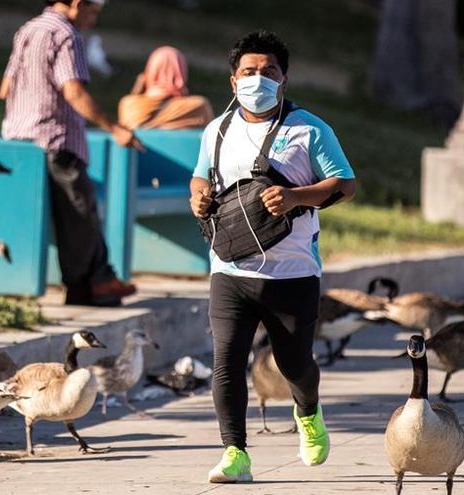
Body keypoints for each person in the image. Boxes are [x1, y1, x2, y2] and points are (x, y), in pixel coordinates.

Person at [189, 30, 357, 483]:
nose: (257, 79)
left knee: (294, 365)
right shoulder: (217, 129)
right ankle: (234, 453)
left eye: (268, 71)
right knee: (227, 362)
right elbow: (200, 176)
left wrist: (297, 196)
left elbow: (345, 184)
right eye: (248, 72)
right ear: (233, 81)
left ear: (284, 79)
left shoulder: (310, 129)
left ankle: (308, 411)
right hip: (229, 269)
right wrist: (198, 195)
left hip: (292, 272)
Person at [0, 0, 141, 307]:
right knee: (79, 215)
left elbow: (5, 88)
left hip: (20, 140)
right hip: (55, 139)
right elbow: (73, 91)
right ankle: (89, 285)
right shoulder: (66, 34)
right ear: (77, 4)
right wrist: (113, 127)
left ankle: (99, 279)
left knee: (81, 208)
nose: (94, 19)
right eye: (93, 11)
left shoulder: (28, 29)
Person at [118, 45, 214, 130]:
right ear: (181, 71)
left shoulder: (128, 104)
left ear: (151, 70)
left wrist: (138, 89)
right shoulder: (199, 106)